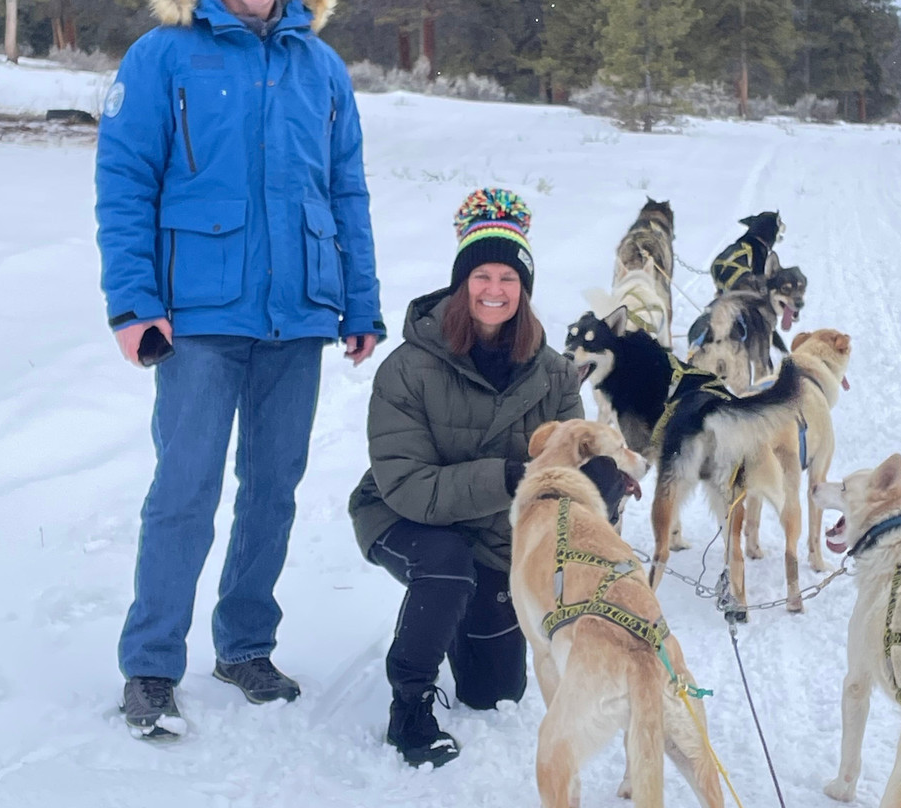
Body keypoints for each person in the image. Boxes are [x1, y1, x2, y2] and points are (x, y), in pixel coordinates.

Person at [96, 0, 385, 739]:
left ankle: (245, 646)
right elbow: (126, 178)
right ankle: (152, 665)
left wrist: (359, 301)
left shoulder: (319, 67)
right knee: (184, 490)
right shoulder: (163, 54)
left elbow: (345, 188)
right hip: (198, 314)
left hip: (298, 314)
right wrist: (133, 303)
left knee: (273, 490)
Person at [348, 188, 584, 768]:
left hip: (493, 533)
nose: (494, 290)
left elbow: (571, 461)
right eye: (482, 275)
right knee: (446, 566)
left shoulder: (555, 374)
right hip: (401, 516)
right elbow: (409, 485)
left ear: (524, 288)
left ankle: (455, 614)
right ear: (462, 282)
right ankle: (409, 706)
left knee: (492, 693)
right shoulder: (408, 368)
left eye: (509, 276)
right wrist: (509, 478)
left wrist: (598, 474)